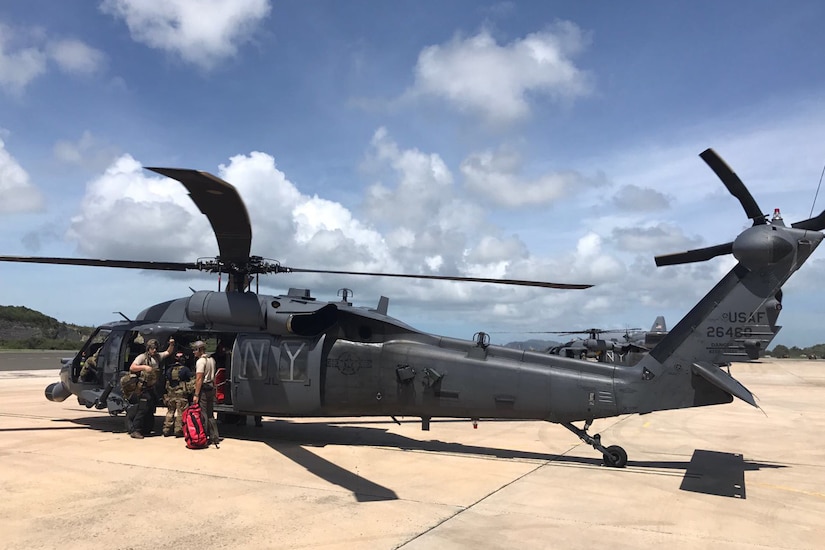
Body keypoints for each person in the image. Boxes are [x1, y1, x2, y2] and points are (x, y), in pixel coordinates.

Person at [127, 337, 175, 439]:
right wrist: (144, 367)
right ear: (148, 348)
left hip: (152, 388)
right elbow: (132, 367)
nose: (154, 350)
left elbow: (167, 352)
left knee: (150, 409)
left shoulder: (157, 356)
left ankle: (147, 429)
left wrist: (171, 344)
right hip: (143, 388)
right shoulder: (142, 357)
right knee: (142, 409)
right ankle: (136, 430)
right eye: (152, 348)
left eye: (156, 348)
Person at [192, 340, 220, 445]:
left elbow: (199, 379)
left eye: (195, 350)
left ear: (200, 350)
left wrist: (196, 394)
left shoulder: (200, 361)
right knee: (210, 414)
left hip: (204, 389)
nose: (194, 352)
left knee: (203, 415)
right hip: (211, 388)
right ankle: (214, 437)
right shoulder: (211, 360)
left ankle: (203, 437)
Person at [162, 351, 193, 437]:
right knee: (181, 413)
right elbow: (191, 379)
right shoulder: (185, 370)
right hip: (181, 395)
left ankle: (166, 429)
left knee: (170, 412)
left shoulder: (169, 370)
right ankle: (178, 430)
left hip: (170, 395)